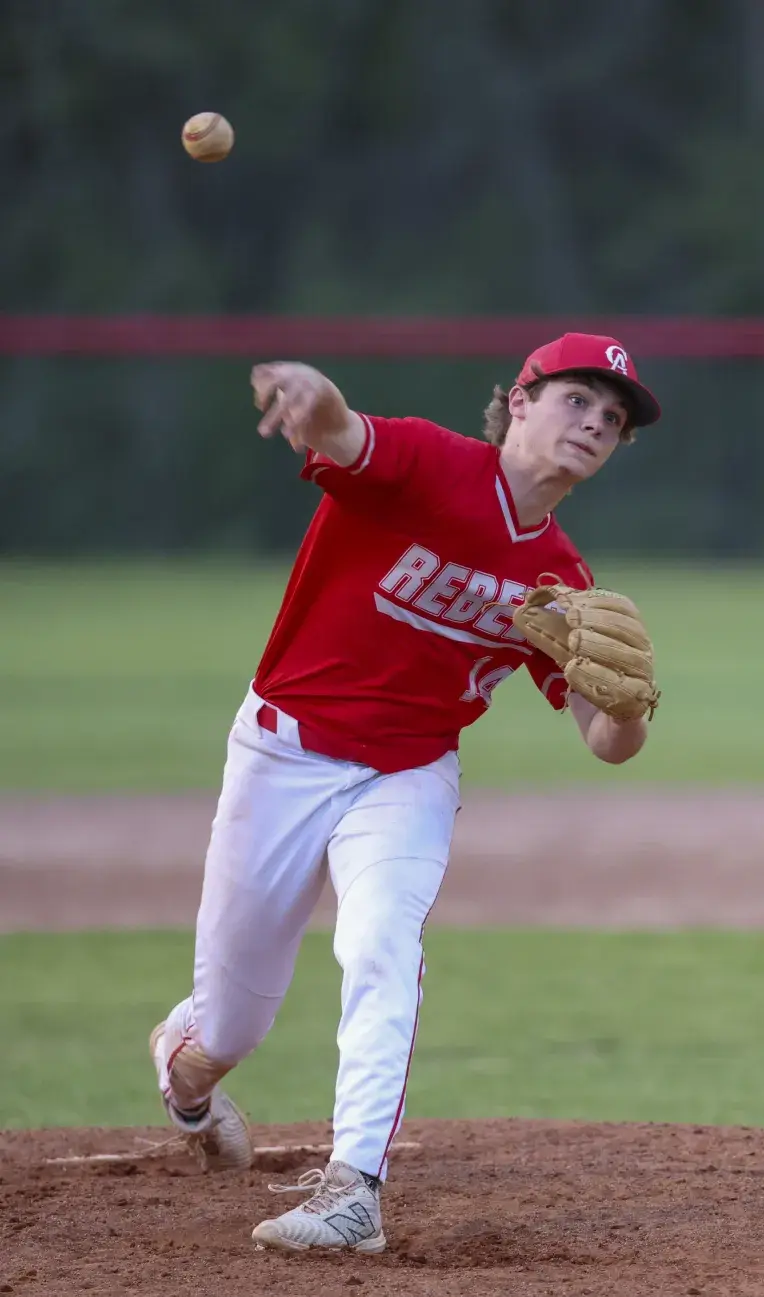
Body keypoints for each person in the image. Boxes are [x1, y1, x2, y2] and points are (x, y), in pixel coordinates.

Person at [149, 331, 661, 1254]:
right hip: (282, 753)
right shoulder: (429, 463)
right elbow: (340, 430)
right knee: (229, 1025)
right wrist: (312, 392)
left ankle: (353, 1192)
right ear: (520, 400)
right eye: (578, 399)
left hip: (409, 772)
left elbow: (605, 740)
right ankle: (187, 1080)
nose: (596, 423)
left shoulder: (562, 582)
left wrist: (628, 708)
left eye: (614, 418)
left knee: (381, 940)